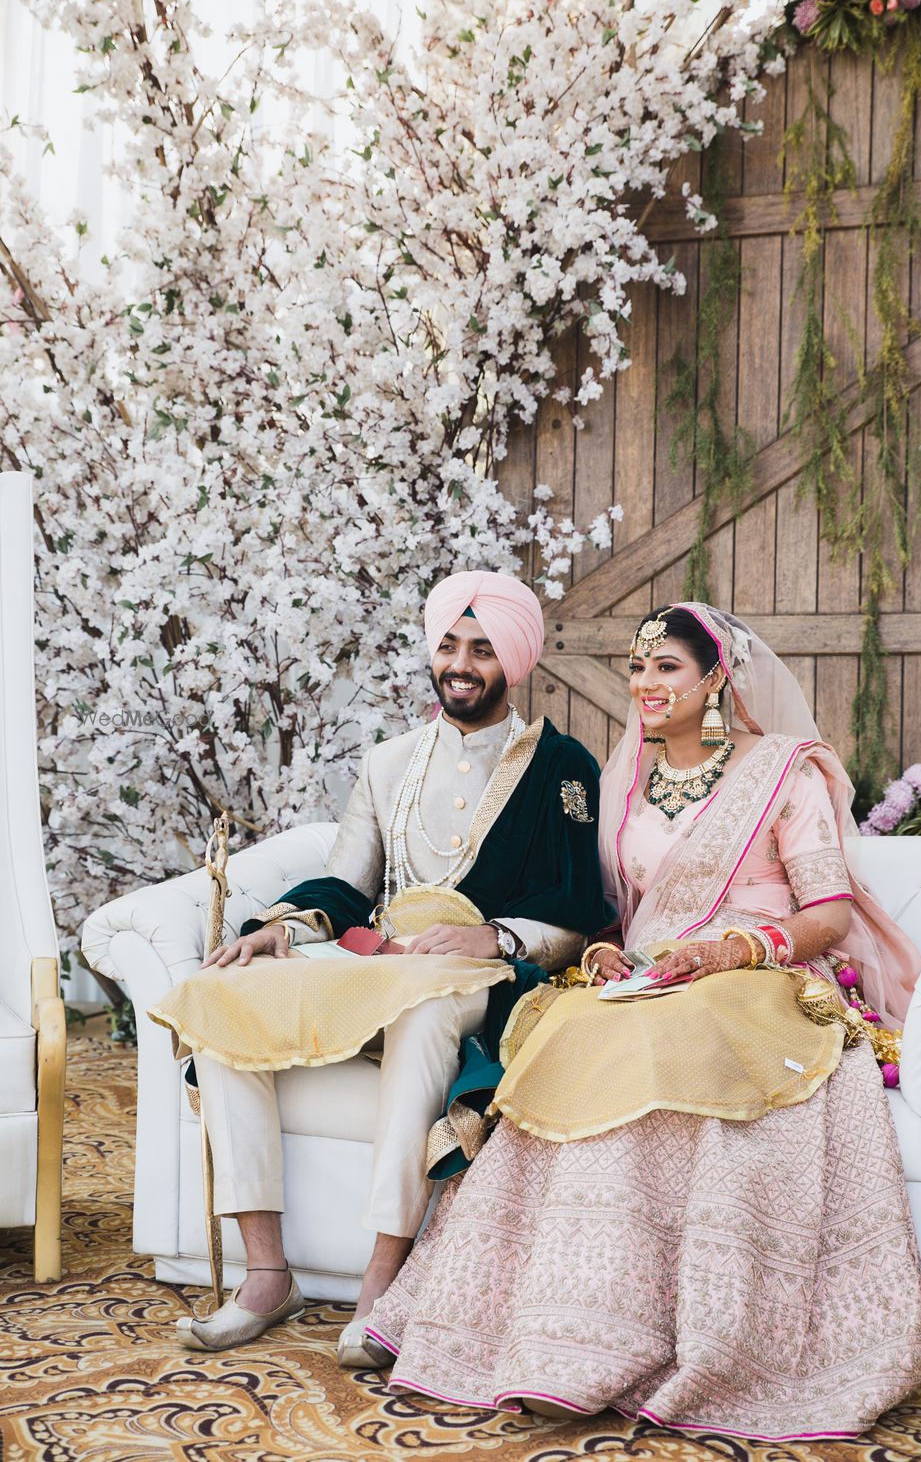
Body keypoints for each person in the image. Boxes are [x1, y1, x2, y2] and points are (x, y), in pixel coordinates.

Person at [365, 602, 921, 1441]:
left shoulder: (785, 772)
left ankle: (669, 1338)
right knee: (571, 1034)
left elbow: (830, 912)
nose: (645, 684)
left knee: (670, 1032)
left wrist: (733, 948)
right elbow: (616, 916)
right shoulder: (628, 779)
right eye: (638, 666)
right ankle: (553, 1334)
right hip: (654, 977)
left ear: (715, 677)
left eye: (666, 666)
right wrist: (602, 956)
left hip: (759, 971)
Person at [150, 570, 613, 1359]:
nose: (461, 663)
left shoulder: (562, 768)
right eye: (449, 645)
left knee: (425, 1010)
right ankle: (267, 1274)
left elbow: (579, 911)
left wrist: (496, 936)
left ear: (516, 661)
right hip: (384, 959)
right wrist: (280, 927)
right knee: (227, 993)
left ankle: (380, 1285)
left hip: (476, 978)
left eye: (482, 649)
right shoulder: (389, 760)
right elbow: (347, 879)